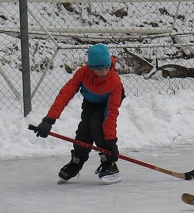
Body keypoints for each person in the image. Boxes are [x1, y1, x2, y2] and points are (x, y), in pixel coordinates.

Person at [33, 43, 125, 183]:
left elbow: (111, 115)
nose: (103, 72)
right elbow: (65, 94)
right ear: (91, 67)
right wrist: (49, 119)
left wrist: (111, 141)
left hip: (107, 103)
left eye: (106, 67)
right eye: (99, 69)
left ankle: (108, 161)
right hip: (90, 102)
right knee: (84, 130)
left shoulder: (114, 82)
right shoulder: (82, 73)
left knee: (97, 124)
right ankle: (77, 160)